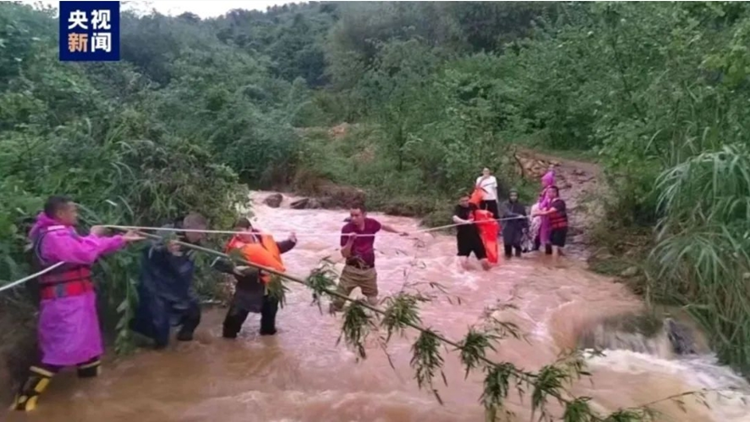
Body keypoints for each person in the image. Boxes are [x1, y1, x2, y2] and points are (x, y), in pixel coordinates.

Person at [13, 196, 143, 412]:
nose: (77, 214)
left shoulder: (62, 233)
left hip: (79, 300)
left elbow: (87, 246)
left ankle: (90, 395)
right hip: (64, 304)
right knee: (61, 350)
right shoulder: (53, 236)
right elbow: (84, 253)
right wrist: (94, 234)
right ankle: (23, 401)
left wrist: (122, 240)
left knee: (89, 348)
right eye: (73, 210)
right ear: (61, 214)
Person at [130, 213, 208, 349]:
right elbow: (149, 248)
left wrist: (232, 267)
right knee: (160, 332)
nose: (202, 236)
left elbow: (212, 257)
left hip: (179, 285)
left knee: (194, 312)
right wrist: (165, 249)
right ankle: (157, 351)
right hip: (157, 285)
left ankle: (184, 344)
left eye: (203, 233)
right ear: (188, 228)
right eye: (199, 233)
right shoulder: (167, 232)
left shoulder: (196, 241)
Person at [210, 218, 297, 338]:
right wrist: (259, 271)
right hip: (248, 290)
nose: (237, 234)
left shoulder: (262, 238)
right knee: (231, 326)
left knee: (269, 329)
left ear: (250, 229)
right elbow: (224, 265)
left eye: (240, 230)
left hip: (271, 288)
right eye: (235, 231)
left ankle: (268, 351)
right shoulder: (236, 248)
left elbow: (273, 250)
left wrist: (290, 243)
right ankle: (227, 348)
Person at [330, 204, 408, 311]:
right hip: (351, 271)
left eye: (357, 215)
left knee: (373, 303)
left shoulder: (371, 224)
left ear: (364, 215)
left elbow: (383, 227)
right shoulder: (346, 229)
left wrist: (398, 232)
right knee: (337, 303)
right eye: (351, 215)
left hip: (369, 271)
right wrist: (350, 241)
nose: (353, 218)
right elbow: (344, 254)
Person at [452, 195, 491, 271]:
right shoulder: (458, 208)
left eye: (466, 200)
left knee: (484, 261)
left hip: (475, 236)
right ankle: (467, 278)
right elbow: (455, 218)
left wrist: (486, 218)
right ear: (459, 201)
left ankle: (488, 276)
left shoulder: (472, 206)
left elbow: (479, 214)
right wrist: (465, 222)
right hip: (463, 237)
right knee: (463, 261)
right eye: (463, 201)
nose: (465, 202)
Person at [533, 186, 568, 257]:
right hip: (554, 228)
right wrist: (539, 211)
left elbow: (549, 212)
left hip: (560, 228)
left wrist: (537, 213)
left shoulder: (559, 202)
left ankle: (554, 263)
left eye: (550, 192)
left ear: (555, 193)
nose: (548, 194)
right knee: (554, 245)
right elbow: (545, 210)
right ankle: (562, 259)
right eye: (547, 192)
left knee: (555, 246)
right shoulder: (551, 203)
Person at [501, 189, 528, 259]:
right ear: (509, 196)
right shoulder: (505, 204)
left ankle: (518, 262)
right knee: (507, 246)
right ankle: (508, 262)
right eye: (512, 196)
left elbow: (525, 217)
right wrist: (517, 215)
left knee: (517, 244)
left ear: (517, 196)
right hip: (507, 227)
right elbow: (507, 213)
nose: (513, 197)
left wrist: (526, 228)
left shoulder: (521, 206)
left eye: (515, 196)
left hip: (517, 228)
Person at [537, 165, 556, 250]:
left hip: (546, 214)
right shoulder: (548, 189)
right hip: (546, 212)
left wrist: (540, 207)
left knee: (545, 230)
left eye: (543, 181)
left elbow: (546, 201)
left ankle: (545, 245)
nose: (542, 183)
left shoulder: (549, 190)